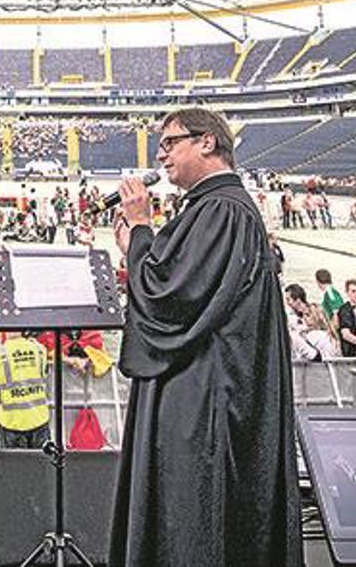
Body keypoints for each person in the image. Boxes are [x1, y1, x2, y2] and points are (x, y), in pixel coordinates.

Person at [108, 107, 300, 567]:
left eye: (170, 142)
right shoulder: (217, 208)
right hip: (214, 389)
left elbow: (171, 298)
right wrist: (137, 249)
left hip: (206, 399)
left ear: (207, 142)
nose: (161, 154)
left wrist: (139, 229)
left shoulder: (220, 210)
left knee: (195, 519)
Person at [0, 328, 50, 448]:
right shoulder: (40, 350)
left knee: (13, 466)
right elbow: (43, 376)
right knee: (42, 465)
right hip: (39, 420)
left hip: (11, 424)